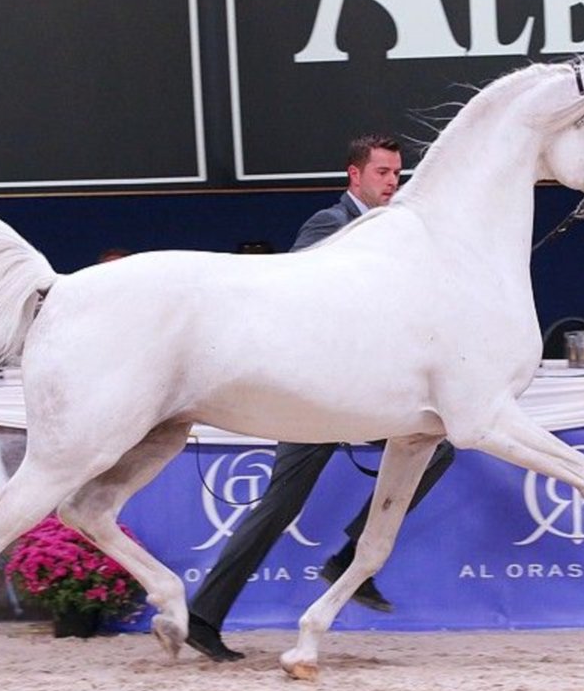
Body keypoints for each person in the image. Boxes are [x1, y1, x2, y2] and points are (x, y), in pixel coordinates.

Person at [186, 134, 457, 662]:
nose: (392, 182)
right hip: (313, 396)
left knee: (436, 447)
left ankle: (353, 553)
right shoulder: (327, 226)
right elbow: (306, 302)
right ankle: (202, 617)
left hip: (365, 395)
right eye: (382, 172)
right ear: (354, 176)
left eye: (397, 173)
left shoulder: (400, 234)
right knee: (280, 504)